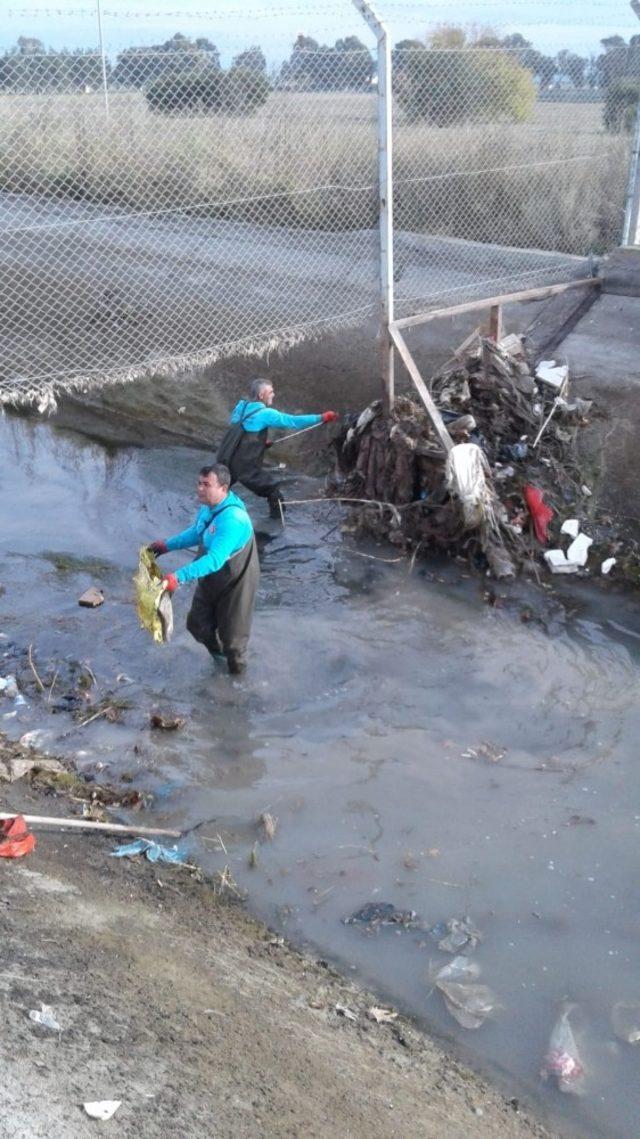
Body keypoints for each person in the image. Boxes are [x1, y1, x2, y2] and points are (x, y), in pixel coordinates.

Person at [148, 464, 259, 676]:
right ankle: (219, 661)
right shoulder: (207, 508)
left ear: (224, 489)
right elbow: (198, 533)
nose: (200, 489)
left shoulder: (233, 519)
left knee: (234, 643)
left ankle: (237, 684)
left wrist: (178, 577)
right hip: (212, 575)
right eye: (199, 483)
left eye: (206, 485)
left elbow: (216, 559)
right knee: (196, 624)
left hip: (236, 580)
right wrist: (166, 545)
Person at [217, 377, 338, 517]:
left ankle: (211, 516)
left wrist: (260, 443)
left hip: (226, 459)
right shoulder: (266, 414)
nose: (273, 395)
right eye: (271, 392)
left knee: (218, 490)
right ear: (261, 395)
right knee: (272, 491)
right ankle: (276, 521)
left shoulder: (240, 406)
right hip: (245, 468)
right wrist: (321, 418)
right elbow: (292, 421)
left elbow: (240, 428)